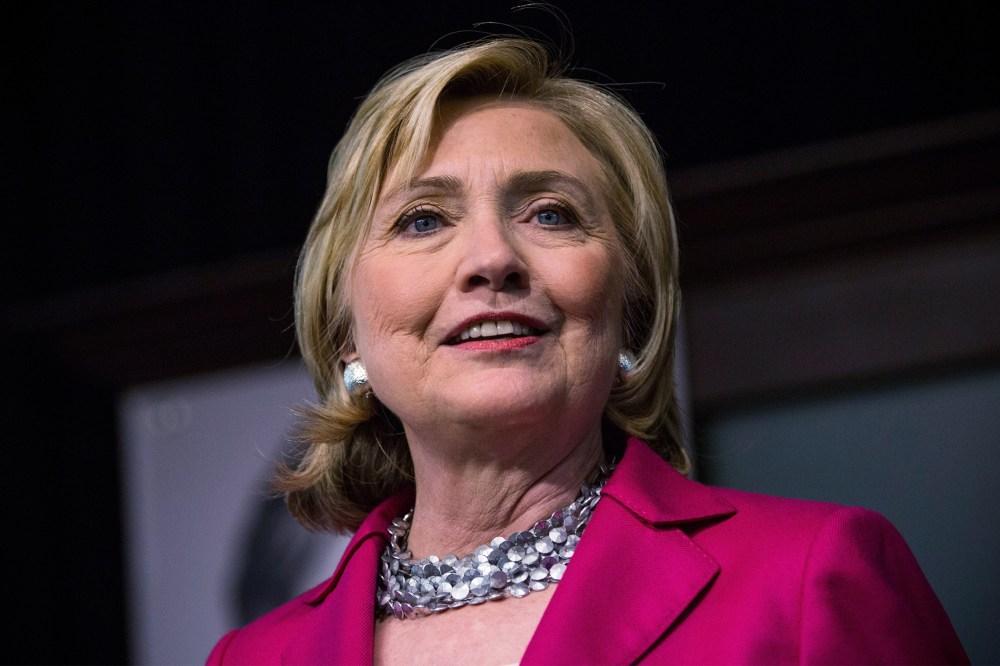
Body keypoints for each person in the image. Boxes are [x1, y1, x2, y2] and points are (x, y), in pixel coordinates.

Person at [207, 36, 968, 664]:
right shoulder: (251, 658)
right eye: (422, 221)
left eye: (550, 213)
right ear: (347, 335)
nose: (491, 259)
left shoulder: (809, 580)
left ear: (631, 316)